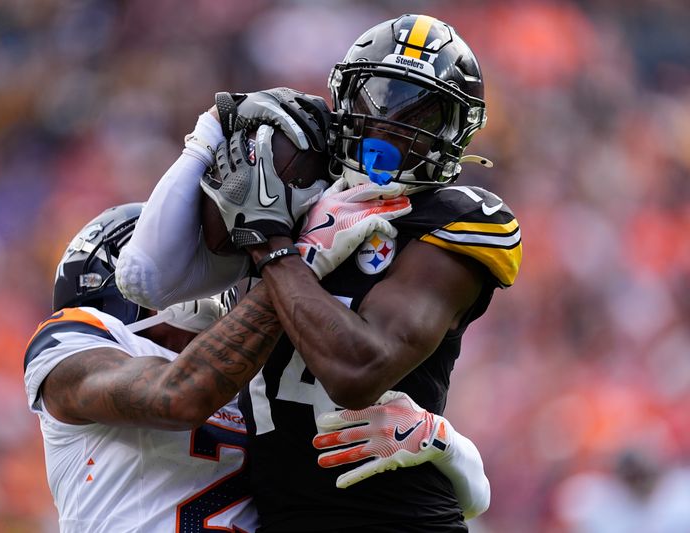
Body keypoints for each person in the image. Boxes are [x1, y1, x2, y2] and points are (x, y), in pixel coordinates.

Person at [119, 13, 519, 532]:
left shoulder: (455, 218)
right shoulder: (297, 188)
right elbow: (143, 279)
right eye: (378, 99)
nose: (391, 125)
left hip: (398, 522)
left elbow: (357, 372)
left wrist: (276, 250)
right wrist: (209, 133)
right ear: (344, 97)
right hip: (278, 518)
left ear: (455, 132)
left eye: (423, 114)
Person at [25, 201, 487, 532]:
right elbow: (178, 396)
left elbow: (470, 503)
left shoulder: (255, 382)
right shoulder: (73, 342)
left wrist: (444, 442)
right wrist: (291, 262)